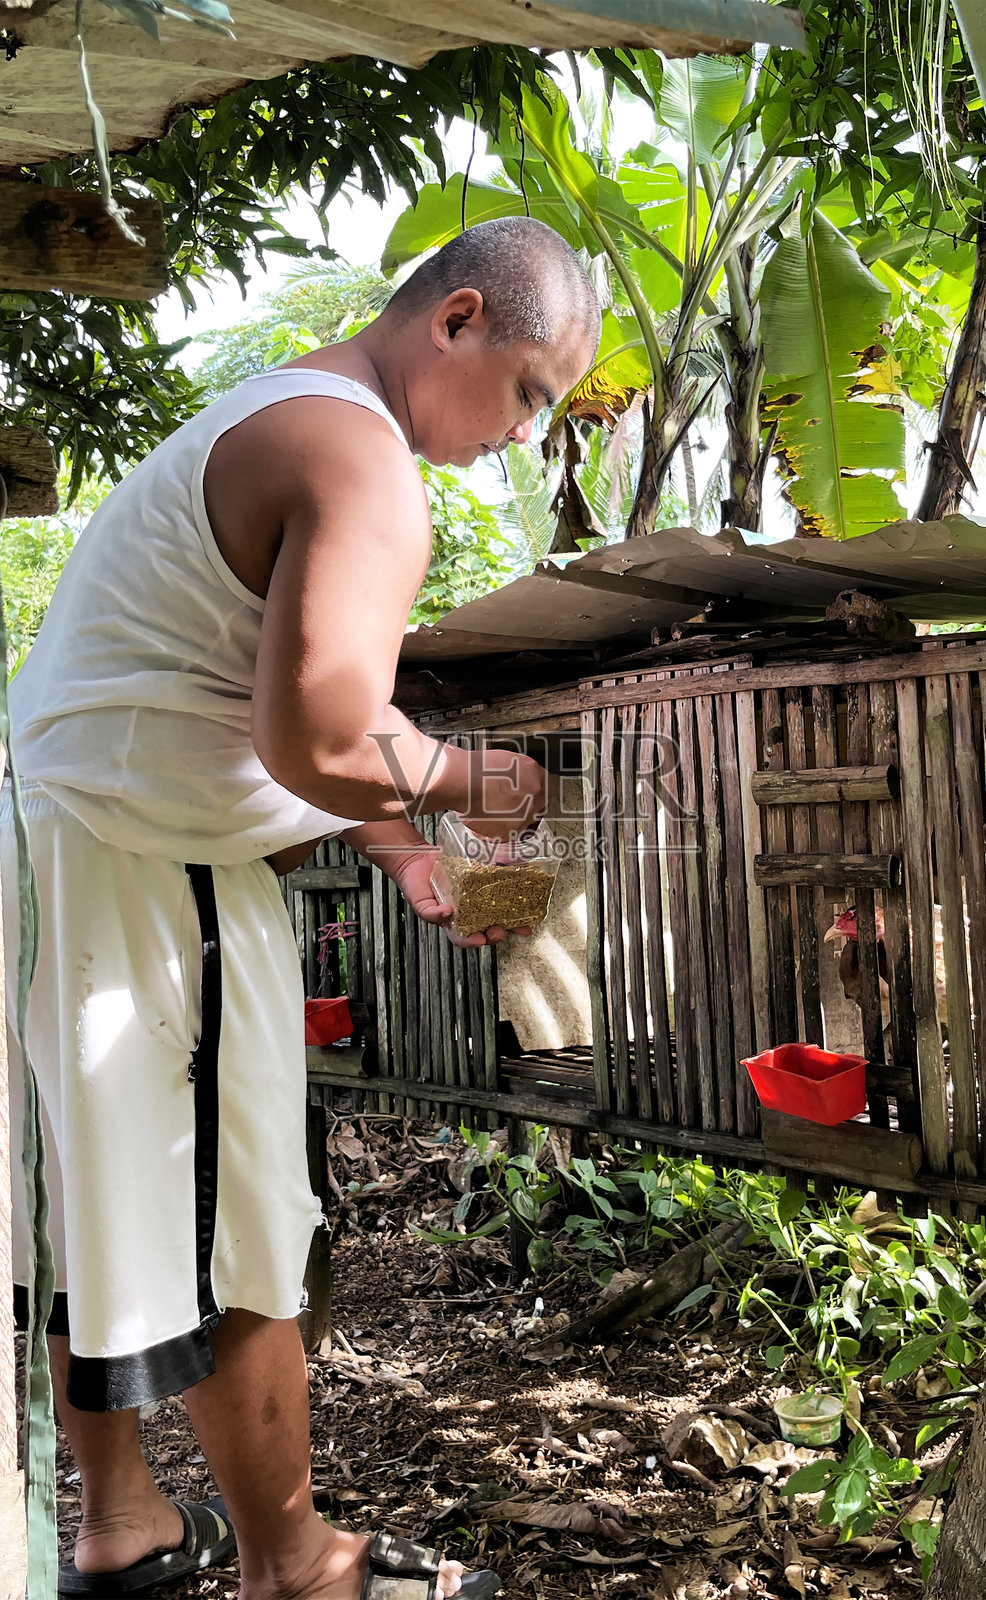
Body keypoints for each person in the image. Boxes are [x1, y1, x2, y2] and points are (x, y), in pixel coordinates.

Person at [4, 215, 600, 1600]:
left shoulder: (283, 413)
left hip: (66, 845)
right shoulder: (360, 456)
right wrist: (478, 778)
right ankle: (296, 1564)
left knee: (86, 1197)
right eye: (529, 391)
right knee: (234, 1217)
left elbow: (250, 697)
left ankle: (123, 1522)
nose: (525, 434)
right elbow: (321, 732)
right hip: (144, 865)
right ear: (457, 319)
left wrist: (401, 852)